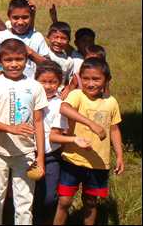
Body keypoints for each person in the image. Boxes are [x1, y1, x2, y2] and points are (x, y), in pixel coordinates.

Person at [54, 58, 124, 226]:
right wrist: (91, 123)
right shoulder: (77, 95)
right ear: (79, 78)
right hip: (72, 159)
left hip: (98, 162)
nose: (90, 83)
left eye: (96, 79)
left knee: (91, 203)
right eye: (85, 78)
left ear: (106, 80)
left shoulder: (111, 102)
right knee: (64, 201)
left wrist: (120, 155)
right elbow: (64, 108)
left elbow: (114, 129)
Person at [0, 38, 47, 225]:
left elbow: (38, 122)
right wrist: (12, 129)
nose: (14, 64)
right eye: (8, 60)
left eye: (18, 59)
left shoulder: (35, 87)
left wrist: (40, 157)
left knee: (24, 203)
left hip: (26, 153)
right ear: (0, 60)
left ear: (26, 59)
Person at [33, 61, 92, 225]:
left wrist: (74, 139)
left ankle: (45, 220)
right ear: (35, 80)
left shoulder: (59, 105)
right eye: (43, 81)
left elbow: (55, 135)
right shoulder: (28, 99)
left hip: (51, 156)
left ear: (60, 83)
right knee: (29, 195)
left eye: (53, 82)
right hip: (28, 154)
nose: (47, 86)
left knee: (49, 197)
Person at [0, 0, 50, 79]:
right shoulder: (0, 36)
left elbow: (49, 66)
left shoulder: (37, 37)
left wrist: (30, 53)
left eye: (25, 17)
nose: (20, 22)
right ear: (9, 17)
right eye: (15, 18)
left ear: (31, 16)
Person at [46, 22, 74, 95]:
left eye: (63, 38)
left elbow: (68, 80)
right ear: (48, 37)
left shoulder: (69, 61)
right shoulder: (43, 53)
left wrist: (67, 88)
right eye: (55, 37)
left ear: (68, 41)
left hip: (58, 96)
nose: (59, 41)